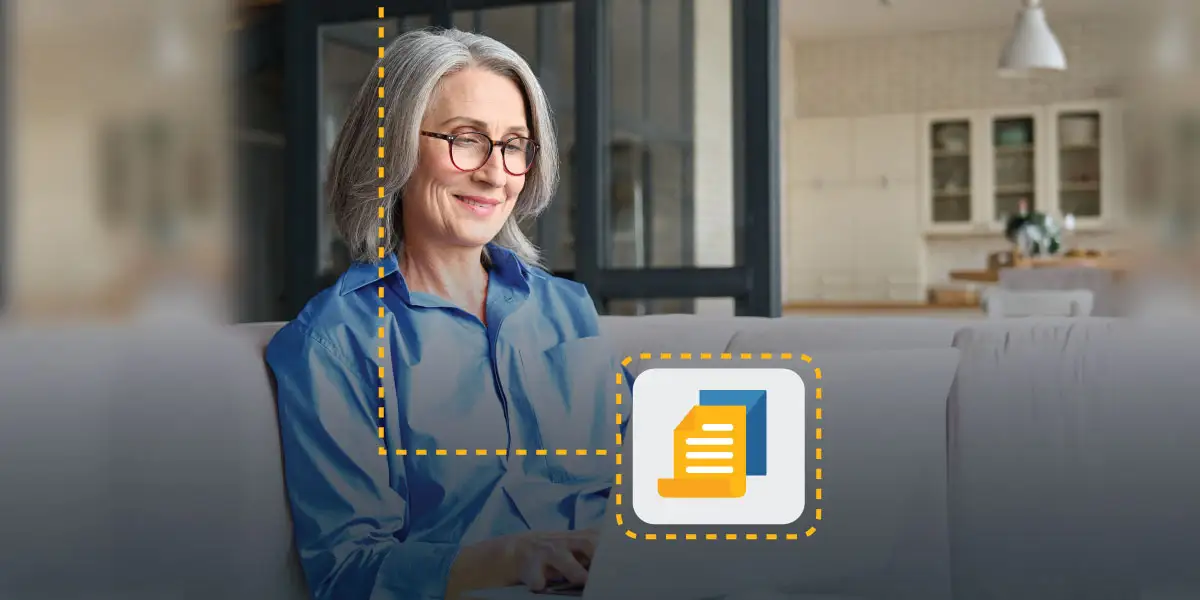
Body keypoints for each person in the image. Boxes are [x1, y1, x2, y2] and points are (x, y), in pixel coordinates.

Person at [265, 28, 629, 600]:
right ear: (393, 149)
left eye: (514, 145)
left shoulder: (567, 308)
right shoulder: (335, 343)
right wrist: (511, 558)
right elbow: (347, 573)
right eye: (466, 139)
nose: (495, 172)